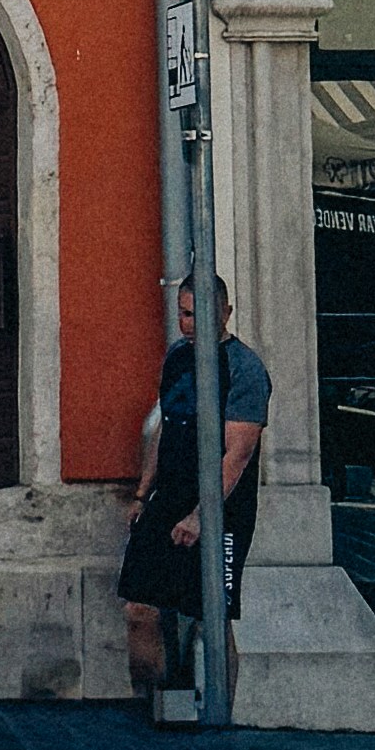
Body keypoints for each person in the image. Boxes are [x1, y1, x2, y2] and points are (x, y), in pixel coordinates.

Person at [121, 272, 270, 703]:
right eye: (184, 314)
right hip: (168, 497)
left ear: (226, 313)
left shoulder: (245, 369)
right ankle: (152, 705)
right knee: (139, 610)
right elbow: (165, 427)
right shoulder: (176, 357)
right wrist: (142, 493)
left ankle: (221, 713)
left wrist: (202, 516)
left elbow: (237, 455)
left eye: (200, 314)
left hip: (224, 508)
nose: (190, 324)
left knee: (213, 615)